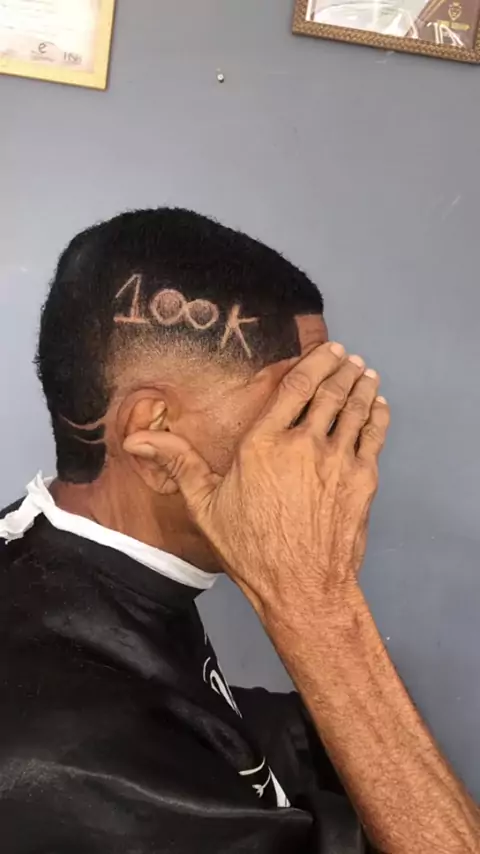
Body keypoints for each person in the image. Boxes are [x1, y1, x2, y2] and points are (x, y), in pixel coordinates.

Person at [0, 209, 477, 854]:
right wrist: (319, 604)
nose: (324, 451)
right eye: (296, 412)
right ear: (154, 434)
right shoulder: (69, 764)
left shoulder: (61, 557)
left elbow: (190, 704)